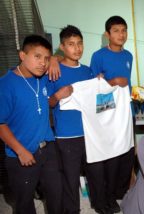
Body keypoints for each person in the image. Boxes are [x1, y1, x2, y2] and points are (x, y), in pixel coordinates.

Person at [0, 35, 62, 214]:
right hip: (21, 154)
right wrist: (20, 151)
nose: (43, 63)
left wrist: (55, 60)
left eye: (46, 58)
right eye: (37, 56)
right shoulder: (5, 85)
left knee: (56, 195)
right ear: (22, 55)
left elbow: (61, 58)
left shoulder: (42, 78)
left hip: (48, 149)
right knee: (24, 203)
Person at [89, 15, 135, 213]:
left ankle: (118, 192)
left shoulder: (128, 56)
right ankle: (106, 197)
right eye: (116, 30)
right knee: (110, 157)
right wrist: (111, 82)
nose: (121, 34)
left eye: (124, 30)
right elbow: (94, 88)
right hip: (107, 114)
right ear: (107, 34)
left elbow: (126, 86)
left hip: (127, 112)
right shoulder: (98, 56)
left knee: (126, 154)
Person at [47, 25, 94, 214]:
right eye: (71, 44)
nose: (77, 48)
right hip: (67, 136)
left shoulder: (89, 71)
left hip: (90, 134)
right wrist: (58, 96)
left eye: (80, 43)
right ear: (62, 47)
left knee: (93, 173)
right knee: (70, 178)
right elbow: (49, 104)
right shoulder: (54, 71)